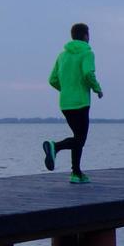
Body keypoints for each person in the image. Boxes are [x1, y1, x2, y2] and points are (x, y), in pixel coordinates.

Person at [42, 22, 103, 183]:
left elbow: (52, 79)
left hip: (65, 104)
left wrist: (66, 90)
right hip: (81, 103)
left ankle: (76, 174)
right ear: (85, 36)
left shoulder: (62, 55)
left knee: (77, 137)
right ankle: (55, 146)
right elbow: (88, 73)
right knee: (80, 139)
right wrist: (97, 89)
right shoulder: (87, 53)